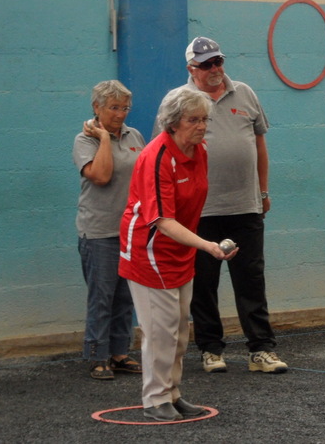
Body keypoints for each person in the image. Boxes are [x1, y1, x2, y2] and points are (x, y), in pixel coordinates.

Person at [119, 86, 237, 422]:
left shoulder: (200, 152)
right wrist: (208, 245)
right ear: (173, 122)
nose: (201, 126)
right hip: (149, 250)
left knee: (181, 330)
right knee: (161, 330)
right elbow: (163, 221)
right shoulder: (157, 157)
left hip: (180, 249)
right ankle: (155, 399)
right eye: (193, 120)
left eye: (204, 119)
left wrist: (199, 245)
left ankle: (173, 392)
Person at [182, 36, 288, 374]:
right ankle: (211, 350)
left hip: (246, 206)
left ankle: (261, 351)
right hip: (201, 213)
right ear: (191, 69)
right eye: (206, 64)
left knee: (251, 281)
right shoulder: (181, 101)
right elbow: (171, 154)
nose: (215, 69)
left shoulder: (245, 93)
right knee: (203, 284)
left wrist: (264, 193)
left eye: (218, 61)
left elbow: (260, 145)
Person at [73, 80, 146, 380]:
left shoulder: (135, 136)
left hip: (130, 230)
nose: (120, 114)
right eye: (114, 108)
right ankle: (97, 355)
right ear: (97, 108)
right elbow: (101, 175)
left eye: (125, 107)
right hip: (99, 230)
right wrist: (104, 138)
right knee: (102, 295)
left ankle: (119, 353)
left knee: (125, 297)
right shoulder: (84, 140)